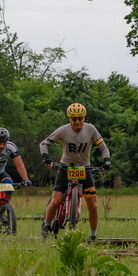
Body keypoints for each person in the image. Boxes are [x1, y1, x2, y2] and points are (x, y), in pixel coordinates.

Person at [39, 102, 111, 240]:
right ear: (69, 118)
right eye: (74, 119)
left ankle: (93, 235)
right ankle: (46, 225)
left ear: (84, 118)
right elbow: (43, 144)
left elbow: (103, 147)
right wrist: (46, 158)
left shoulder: (91, 129)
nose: (77, 122)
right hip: (66, 168)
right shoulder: (63, 130)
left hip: (84, 169)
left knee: (93, 206)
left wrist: (107, 160)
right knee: (55, 201)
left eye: (80, 118)